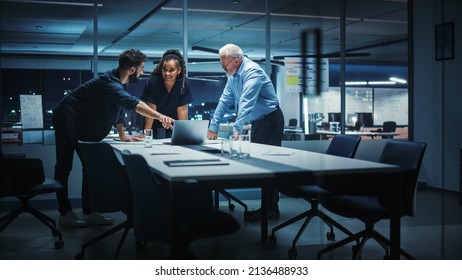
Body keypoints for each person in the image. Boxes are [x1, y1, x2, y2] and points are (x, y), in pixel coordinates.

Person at [52, 49, 175, 227]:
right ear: (132, 70)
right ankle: (65, 214)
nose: (142, 73)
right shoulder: (109, 84)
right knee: (64, 166)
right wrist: (161, 116)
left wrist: (123, 135)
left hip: (82, 125)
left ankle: (90, 212)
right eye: (141, 68)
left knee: (89, 167)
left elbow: (118, 111)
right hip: (66, 119)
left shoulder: (118, 83)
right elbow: (132, 103)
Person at [207, 44, 284, 221]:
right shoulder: (233, 76)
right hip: (258, 122)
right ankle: (268, 206)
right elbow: (224, 100)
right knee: (263, 166)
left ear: (236, 60)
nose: (222, 67)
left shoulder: (252, 72)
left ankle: (271, 208)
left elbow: (246, 102)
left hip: (271, 119)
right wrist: (213, 126)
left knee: (270, 165)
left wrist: (237, 130)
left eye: (224, 63)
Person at [141, 49, 193, 139]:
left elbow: (182, 110)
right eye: (165, 70)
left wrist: (184, 135)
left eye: (171, 70)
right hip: (155, 125)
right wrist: (147, 135)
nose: (167, 73)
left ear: (179, 70)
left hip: (174, 126)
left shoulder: (183, 83)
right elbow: (150, 110)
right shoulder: (153, 82)